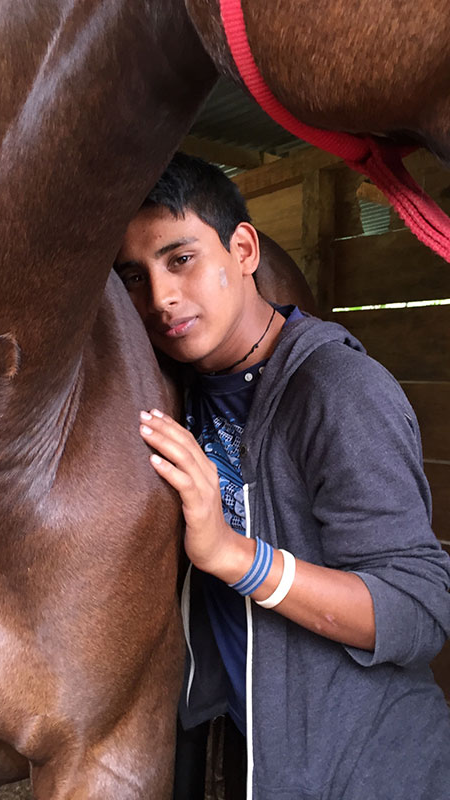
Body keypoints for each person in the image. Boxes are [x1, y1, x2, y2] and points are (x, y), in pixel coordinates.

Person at [114, 153, 450, 800]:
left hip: (371, 773)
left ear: (242, 248)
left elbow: (417, 610)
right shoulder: (181, 387)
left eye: (180, 259)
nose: (160, 299)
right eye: (135, 276)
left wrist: (233, 556)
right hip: (255, 761)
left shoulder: (339, 392)